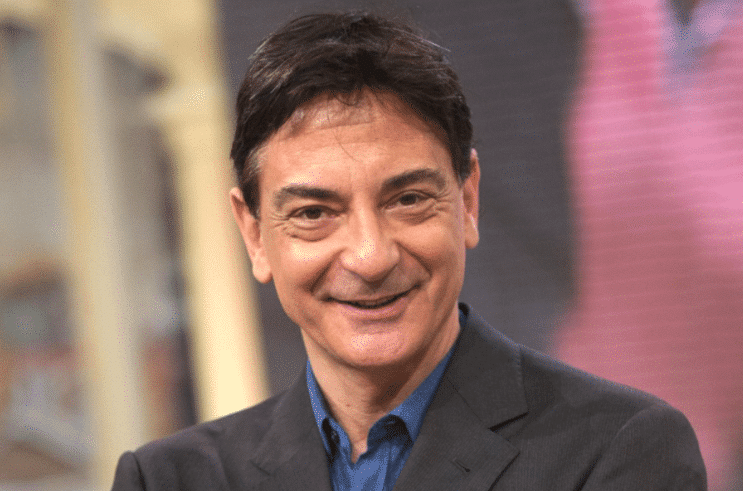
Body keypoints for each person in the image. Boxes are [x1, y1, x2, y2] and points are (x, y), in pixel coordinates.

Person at [111, 11, 707, 490]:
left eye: (408, 200)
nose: (370, 256)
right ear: (253, 234)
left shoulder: (618, 451)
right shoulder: (168, 480)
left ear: (467, 201)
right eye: (314, 213)